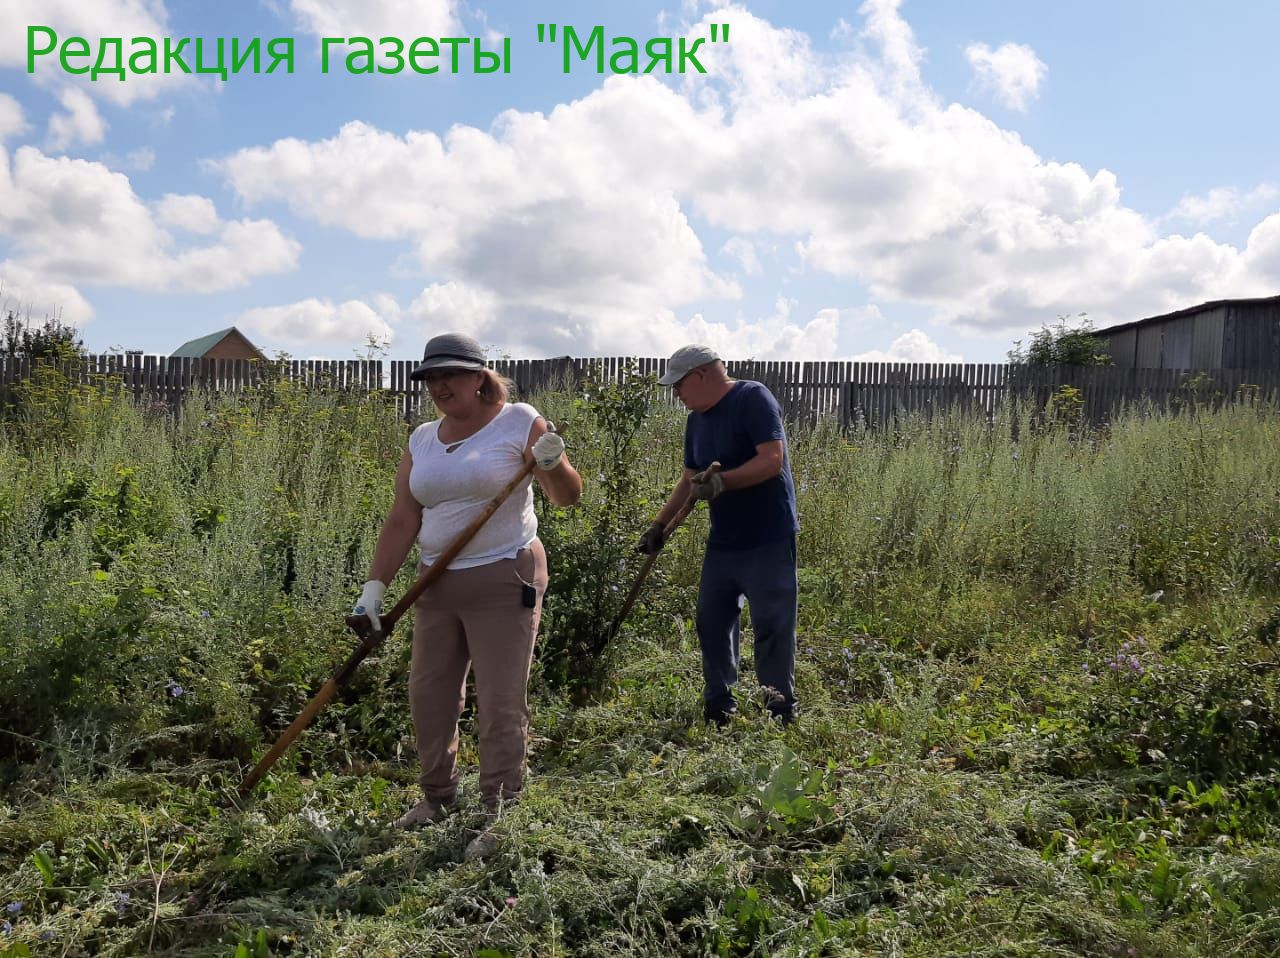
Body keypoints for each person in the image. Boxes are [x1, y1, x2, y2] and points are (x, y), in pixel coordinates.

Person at [352, 332, 582, 850]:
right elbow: (403, 517)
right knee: (430, 695)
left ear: (480, 377)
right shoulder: (422, 439)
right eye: (431, 378)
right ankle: (436, 797)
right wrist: (373, 590)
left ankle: (501, 809)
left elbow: (566, 498)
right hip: (435, 582)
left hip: (506, 576)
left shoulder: (520, 421)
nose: (439, 386)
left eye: (450, 374)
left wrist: (554, 462)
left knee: (501, 699)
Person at [637, 344, 799, 725]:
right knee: (713, 622)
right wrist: (660, 524)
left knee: (772, 626)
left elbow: (771, 460)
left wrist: (723, 482)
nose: (677, 394)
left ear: (703, 375)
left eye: (679, 385)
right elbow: (689, 480)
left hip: (768, 538)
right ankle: (719, 708)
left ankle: (778, 710)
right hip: (725, 540)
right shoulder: (697, 420)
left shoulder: (752, 397)